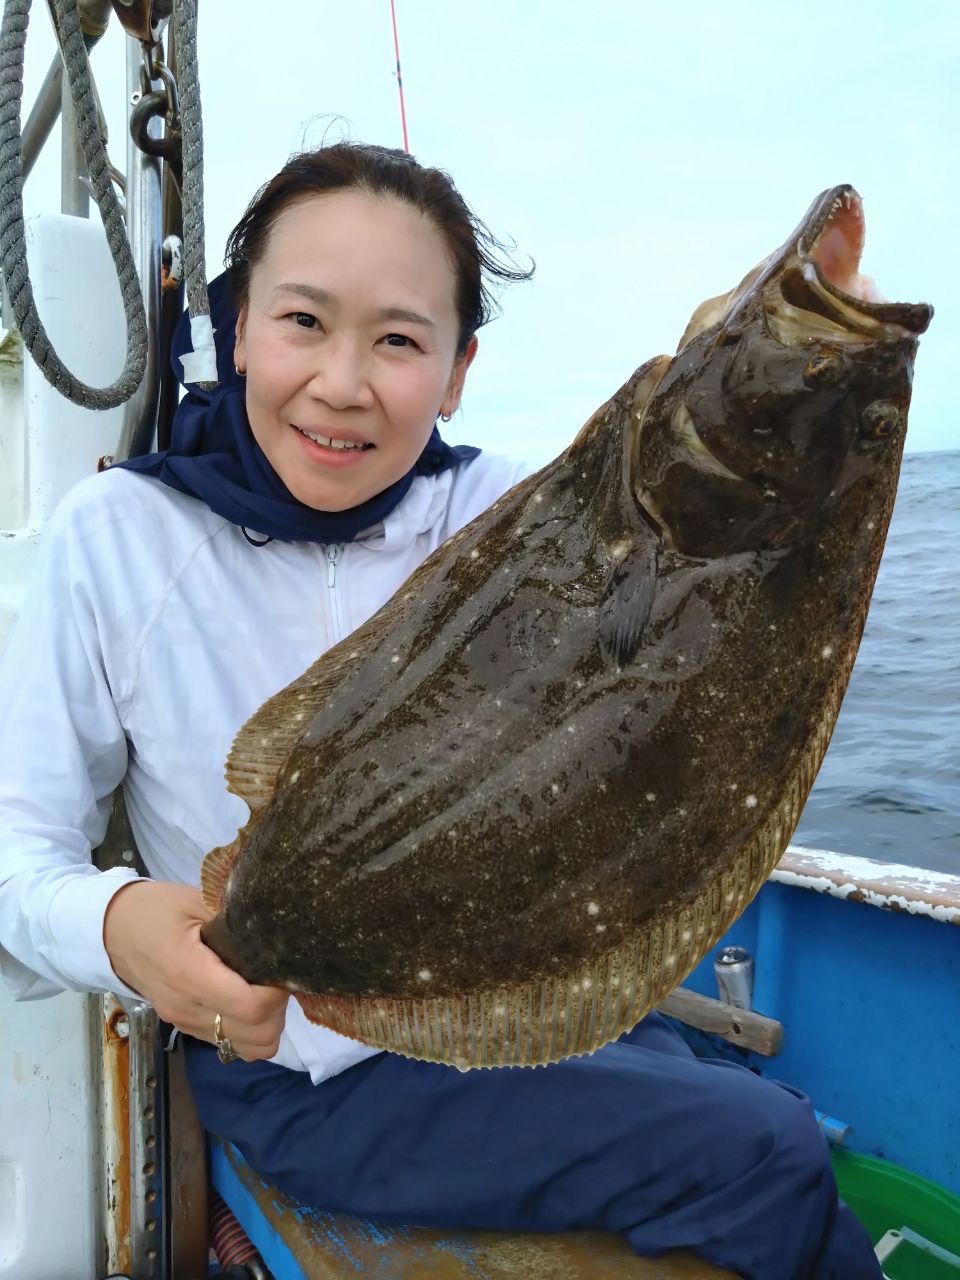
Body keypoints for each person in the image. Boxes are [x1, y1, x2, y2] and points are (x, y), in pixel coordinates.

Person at [0, 142, 881, 1280]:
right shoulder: (117, 537)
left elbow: (701, 572)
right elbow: (15, 851)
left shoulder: (511, 511)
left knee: (766, 1122)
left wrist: (801, 363)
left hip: (521, 1005)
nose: (343, 382)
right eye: (303, 321)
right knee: (769, 1150)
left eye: (400, 341)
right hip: (316, 1074)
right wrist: (119, 927)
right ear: (237, 329)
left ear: (458, 371)